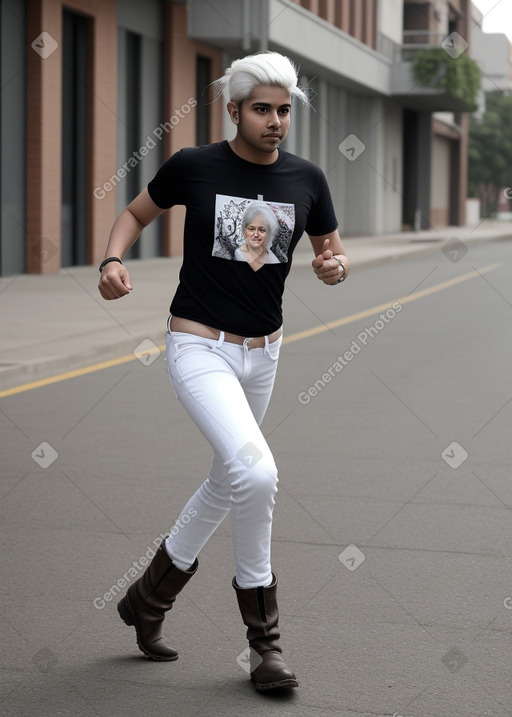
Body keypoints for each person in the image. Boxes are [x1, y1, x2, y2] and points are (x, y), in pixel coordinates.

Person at [98, 50, 349, 693]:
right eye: (262, 109)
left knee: (228, 477)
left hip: (265, 351)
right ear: (233, 109)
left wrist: (333, 267)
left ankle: (146, 601)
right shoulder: (195, 166)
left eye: (284, 110)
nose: (275, 120)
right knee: (257, 471)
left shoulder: (308, 178)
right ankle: (265, 646)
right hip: (199, 346)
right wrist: (111, 260)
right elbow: (133, 214)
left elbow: (330, 250)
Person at [234, 201, 281, 267]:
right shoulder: (239, 254)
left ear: (269, 233)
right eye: (251, 229)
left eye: (261, 230)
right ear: (244, 230)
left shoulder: (274, 260)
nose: (256, 234)